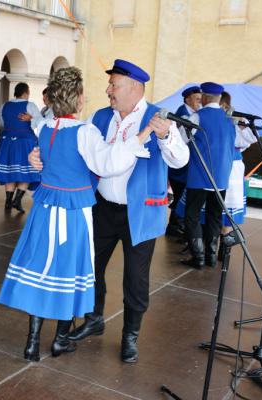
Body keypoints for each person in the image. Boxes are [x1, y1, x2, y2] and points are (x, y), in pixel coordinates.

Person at [0, 66, 160, 362]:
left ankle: (33, 342)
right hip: (73, 213)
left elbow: (44, 156)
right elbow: (108, 164)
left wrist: (38, 159)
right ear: (79, 99)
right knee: (70, 274)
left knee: (42, 270)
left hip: (45, 211)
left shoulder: (44, 127)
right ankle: (59, 340)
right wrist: (142, 136)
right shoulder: (85, 131)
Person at [38, 59, 189, 363]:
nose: (108, 90)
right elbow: (79, 153)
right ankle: (93, 319)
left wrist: (166, 136)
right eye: (109, 84)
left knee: (135, 279)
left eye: (114, 84)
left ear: (134, 87)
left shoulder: (158, 117)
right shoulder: (99, 117)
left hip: (142, 212)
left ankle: (130, 336)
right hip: (102, 207)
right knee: (90, 269)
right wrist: (43, 156)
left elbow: (180, 161)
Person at [181, 82, 236, 269]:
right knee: (215, 216)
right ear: (220, 99)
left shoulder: (197, 116)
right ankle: (211, 255)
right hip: (221, 178)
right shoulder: (229, 120)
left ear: (204, 97)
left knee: (191, 215)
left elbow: (182, 139)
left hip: (199, 176)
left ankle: (198, 256)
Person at [0, 82, 41, 213]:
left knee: (10, 171)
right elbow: (41, 122)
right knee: (25, 172)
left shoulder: (5, 105)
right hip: (24, 142)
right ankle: (17, 200)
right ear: (25, 92)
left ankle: (8, 201)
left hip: (7, 141)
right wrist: (31, 119)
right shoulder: (30, 105)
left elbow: (1, 122)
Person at [217, 91, 257, 238]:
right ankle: (209, 248)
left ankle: (224, 246)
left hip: (231, 167)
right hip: (215, 165)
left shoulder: (235, 121)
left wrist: (241, 123)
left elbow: (250, 139)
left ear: (224, 105)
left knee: (229, 207)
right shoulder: (213, 119)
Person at [166, 86, 201, 237]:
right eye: (197, 99)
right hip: (180, 168)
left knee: (181, 196)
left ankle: (175, 225)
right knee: (181, 196)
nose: (200, 102)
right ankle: (174, 226)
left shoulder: (191, 113)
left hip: (184, 167)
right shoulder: (183, 115)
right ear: (187, 99)